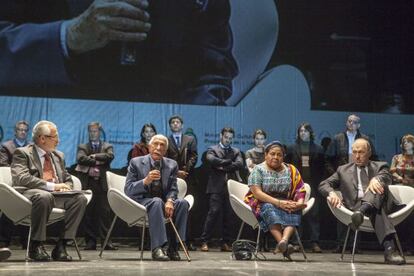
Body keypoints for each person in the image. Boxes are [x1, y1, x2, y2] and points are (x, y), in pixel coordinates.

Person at [0, 0, 238, 105]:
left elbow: (212, 72)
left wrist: (189, 129)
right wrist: (68, 37)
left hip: (160, 148)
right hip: (48, 130)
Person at [319, 138, 405, 265]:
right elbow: (323, 184)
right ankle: (390, 251)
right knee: (376, 209)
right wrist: (331, 193)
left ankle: (362, 211)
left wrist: (377, 179)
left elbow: (387, 177)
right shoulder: (343, 170)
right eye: (354, 152)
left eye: (361, 152)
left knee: (376, 190)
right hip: (356, 207)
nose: (357, 156)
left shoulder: (380, 166)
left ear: (369, 152)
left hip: (379, 203)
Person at [11, 120, 87, 261]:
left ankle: (62, 245)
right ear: (42, 138)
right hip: (31, 194)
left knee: (80, 199)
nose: (58, 141)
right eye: (55, 137)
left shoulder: (58, 156)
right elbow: (21, 178)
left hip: (56, 196)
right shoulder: (22, 153)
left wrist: (67, 186)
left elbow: (67, 177)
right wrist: (52, 186)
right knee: (45, 196)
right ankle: (36, 245)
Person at [125, 134, 189, 261]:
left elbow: (173, 188)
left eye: (162, 145)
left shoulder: (172, 165)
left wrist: (170, 200)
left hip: (163, 201)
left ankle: (174, 247)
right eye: (155, 144)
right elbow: (128, 189)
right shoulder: (136, 163)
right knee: (156, 201)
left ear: (165, 151)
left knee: (182, 203)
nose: (158, 148)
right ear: (149, 147)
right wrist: (146, 180)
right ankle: (157, 248)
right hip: (142, 202)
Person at [245, 141, 306, 260]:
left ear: (283, 157)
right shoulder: (258, 170)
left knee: (293, 207)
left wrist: (298, 203)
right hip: (263, 201)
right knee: (268, 208)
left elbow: (300, 188)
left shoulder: (291, 169)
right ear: (266, 155)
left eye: (279, 155)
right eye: (272, 154)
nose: (275, 157)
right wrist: (278, 203)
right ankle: (284, 246)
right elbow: (257, 193)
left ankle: (283, 241)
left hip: (285, 200)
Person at [325, 114, 378, 252]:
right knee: (342, 207)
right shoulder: (338, 138)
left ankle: (355, 245)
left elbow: (375, 158)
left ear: (359, 125)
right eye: (349, 121)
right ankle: (341, 244)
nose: (351, 123)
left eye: (354, 122)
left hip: (361, 177)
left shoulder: (365, 139)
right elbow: (328, 158)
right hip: (344, 177)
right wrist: (336, 173)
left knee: (358, 207)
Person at [200, 127, 244, 252]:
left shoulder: (236, 151)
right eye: (226, 137)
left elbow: (240, 164)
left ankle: (225, 243)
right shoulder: (212, 149)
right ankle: (204, 241)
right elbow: (211, 160)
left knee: (228, 216)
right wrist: (229, 163)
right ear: (221, 136)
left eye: (230, 138)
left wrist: (221, 166)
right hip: (215, 187)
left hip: (230, 188)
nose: (228, 140)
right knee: (213, 213)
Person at [75, 122, 116, 251]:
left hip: (102, 184)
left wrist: (93, 156)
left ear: (99, 132)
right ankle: (90, 242)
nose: (93, 134)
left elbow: (110, 156)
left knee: (105, 213)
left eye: (95, 131)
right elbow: (80, 159)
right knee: (88, 214)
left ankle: (106, 242)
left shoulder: (107, 146)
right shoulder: (82, 146)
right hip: (89, 183)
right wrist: (98, 161)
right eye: (91, 131)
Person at [285, 123, 325, 253]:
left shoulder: (318, 149)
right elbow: (287, 168)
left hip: (313, 184)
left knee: (314, 214)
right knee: (296, 213)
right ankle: (296, 242)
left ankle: (315, 243)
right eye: (301, 131)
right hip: (296, 185)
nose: (303, 133)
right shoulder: (291, 148)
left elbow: (322, 169)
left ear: (310, 133)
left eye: (306, 131)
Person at [166, 115, 198, 250]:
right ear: (170, 126)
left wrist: (185, 170)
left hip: (188, 177)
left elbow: (194, 156)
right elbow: (165, 158)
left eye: (177, 122)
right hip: (171, 177)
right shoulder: (166, 140)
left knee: (187, 209)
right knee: (171, 207)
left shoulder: (189, 139)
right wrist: (176, 171)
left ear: (182, 125)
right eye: (172, 122)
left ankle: (186, 240)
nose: (175, 124)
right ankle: (171, 240)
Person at [0, 120, 30, 255]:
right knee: (9, 211)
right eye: (20, 130)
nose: (22, 132)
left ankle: (26, 241)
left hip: (28, 184)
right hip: (11, 185)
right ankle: (4, 241)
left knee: (28, 210)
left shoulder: (31, 147)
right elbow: (3, 165)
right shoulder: (6, 146)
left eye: (25, 130)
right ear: (15, 131)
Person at [390, 134, 414, 255]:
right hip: (399, 190)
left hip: (413, 191)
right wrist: (400, 179)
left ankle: (410, 246)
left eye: (408, 141)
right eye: (404, 141)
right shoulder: (397, 157)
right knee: (397, 217)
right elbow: (392, 171)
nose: (405, 143)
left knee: (411, 220)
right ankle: (396, 246)